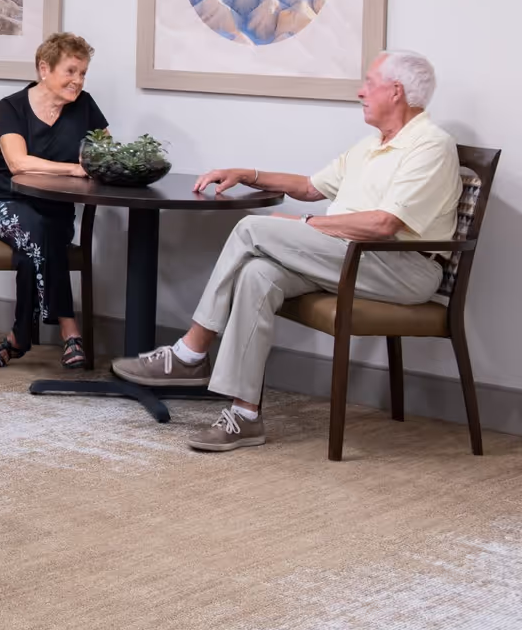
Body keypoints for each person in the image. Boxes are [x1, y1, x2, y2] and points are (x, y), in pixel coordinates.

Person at [114, 51, 461, 452]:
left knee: (251, 229)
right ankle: (244, 417)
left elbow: (384, 224)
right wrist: (248, 174)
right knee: (259, 273)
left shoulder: (430, 146)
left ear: (395, 91)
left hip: (402, 268)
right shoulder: (373, 145)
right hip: (349, 255)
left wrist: (306, 225)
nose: (360, 91)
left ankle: (190, 351)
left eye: (369, 82)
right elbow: (313, 188)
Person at [0, 32, 106, 371]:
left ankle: (17, 338)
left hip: (56, 212)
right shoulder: (13, 106)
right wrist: (75, 170)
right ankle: (69, 329)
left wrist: (108, 164)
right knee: (38, 233)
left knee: (36, 242)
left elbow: (104, 156)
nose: (78, 81)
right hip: (3, 204)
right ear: (44, 68)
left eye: (83, 73)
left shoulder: (85, 106)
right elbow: (18, 163)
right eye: (71, 71)